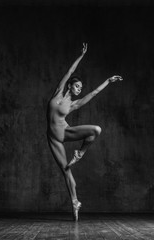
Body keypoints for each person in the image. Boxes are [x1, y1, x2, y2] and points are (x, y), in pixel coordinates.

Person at [47, 43, 123, 221]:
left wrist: (108, 81)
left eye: (81, 88)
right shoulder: (58, 91)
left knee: (96, 130)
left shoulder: (73, 104)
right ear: (70, 86)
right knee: (66, 170)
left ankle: (80, 153)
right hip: (53, 138)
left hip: (65, 133)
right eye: (78, 86)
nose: (80, 89)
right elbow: (70, 70)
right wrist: (81, 55)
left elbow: (94, 93)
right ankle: (75, 202)